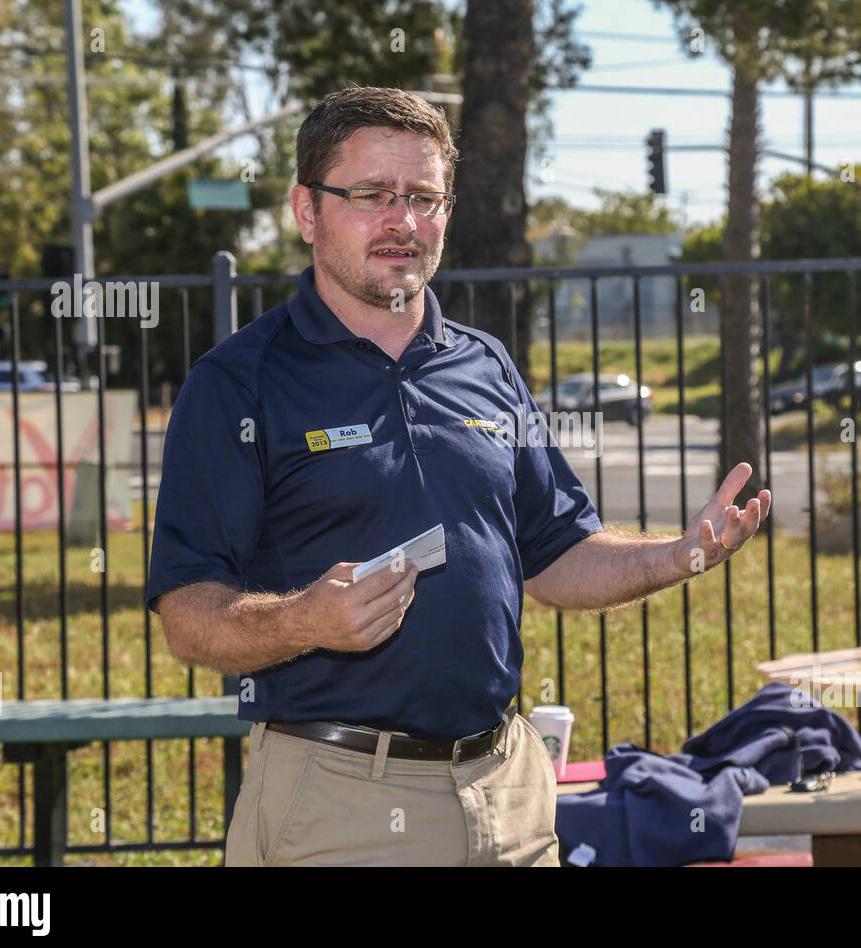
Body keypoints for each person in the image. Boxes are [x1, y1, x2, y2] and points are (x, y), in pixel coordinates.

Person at [146, 87, 771, 866]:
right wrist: (306, 620)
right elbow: (188, 613)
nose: (402, 220)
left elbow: (558, 556)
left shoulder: (485, 364)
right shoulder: (239, 381)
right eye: (372, 195)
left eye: (423, 197)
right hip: (340, 801)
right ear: (308, 211)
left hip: (507, 791)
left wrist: (679, 553)